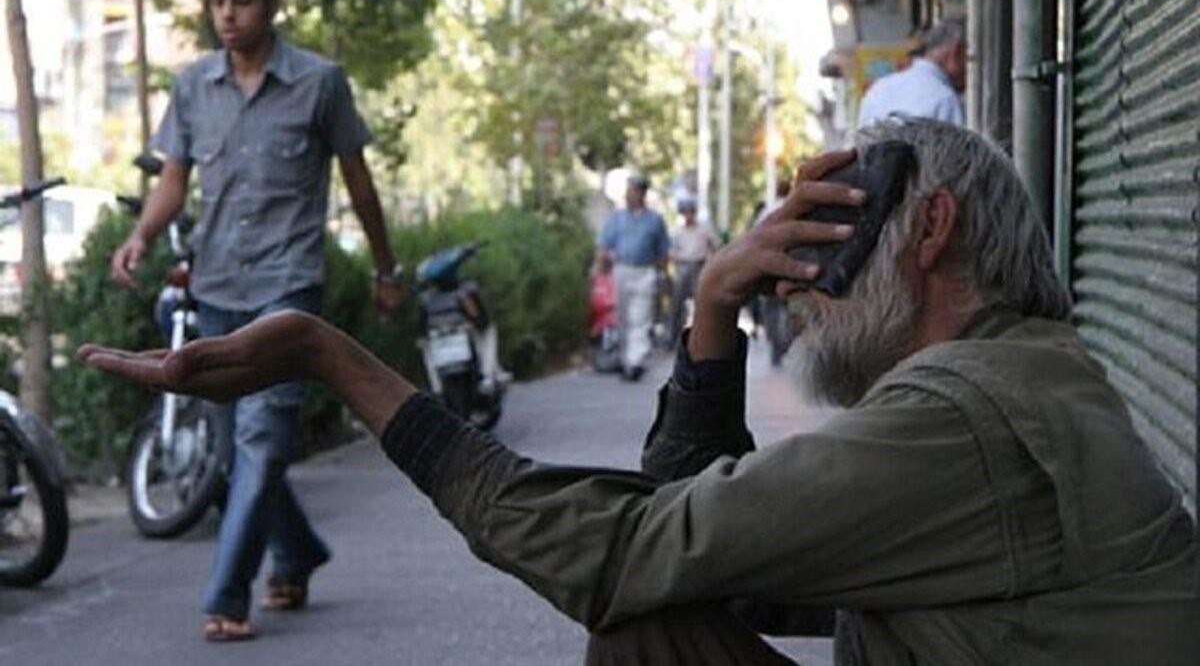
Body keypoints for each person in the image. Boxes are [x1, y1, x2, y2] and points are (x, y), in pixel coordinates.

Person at [86, 117, 1199, 664]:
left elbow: (622, 555)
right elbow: (706, 557)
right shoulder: (1041, 369)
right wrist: (711, 316)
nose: (798, 272)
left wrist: (337, 360)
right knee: (657, 623)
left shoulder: (963, 412)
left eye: (824, 224)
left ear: (931, 229)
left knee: (639, 617)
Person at [108, 0, 406, 642]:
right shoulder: (192, 88)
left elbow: (360, 186)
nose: (227, 15)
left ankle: (226, 595)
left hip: (287, 287)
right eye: (217, 2)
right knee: (230, 442)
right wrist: (142, 238)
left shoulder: (320, 83)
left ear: (270, 5)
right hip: (216, 286)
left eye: (241, 0)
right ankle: (297, 551)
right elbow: (174, 182)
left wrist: (386, 268)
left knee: (264, 440)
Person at [594, 173, 670, 381]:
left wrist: (664, 276)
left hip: (645, 272)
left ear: (642, 193)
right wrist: (598, 270)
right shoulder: (617, 218)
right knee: (623, 317)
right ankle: (626, 359)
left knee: (641, 317)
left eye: (633, 190)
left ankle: (635, 362)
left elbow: (663, 251)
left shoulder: (655, 220)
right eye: (627, 190)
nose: (628, 194)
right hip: (621, 270)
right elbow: (603, 245)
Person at [857, 19, 966, 128]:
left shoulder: (878, 88)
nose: (967, 69)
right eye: (967, 58)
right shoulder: (945, 99)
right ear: (956, 52)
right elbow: (954, 145)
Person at [667, 195, 719, 345]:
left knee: (702, 302)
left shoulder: (704, 228)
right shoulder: (677, 231)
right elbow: (671, 251)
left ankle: (703, 336)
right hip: (683, 266)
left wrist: (712, 262)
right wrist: (675, 259)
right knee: (676, 303)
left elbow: (715, 245)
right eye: (685, 211)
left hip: (699, 265)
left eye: (691, 211)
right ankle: (673, 336)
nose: (688, 215)